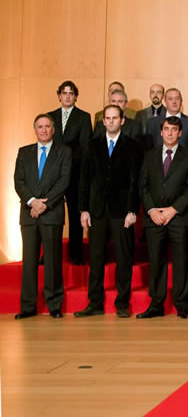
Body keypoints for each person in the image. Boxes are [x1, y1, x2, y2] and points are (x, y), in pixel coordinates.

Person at [74, 105, 143, 319]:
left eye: (115, 118)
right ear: (103, 121)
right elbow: (84, 179)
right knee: (95, 258)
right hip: (96, 210)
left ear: (122, 120)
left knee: (124, 257)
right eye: (108, 118)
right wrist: (83, 209)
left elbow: (135, 181)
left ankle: (122, 302)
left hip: (122, 211)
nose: (111, 121)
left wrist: (133, 210)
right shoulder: (92, 145)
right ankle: (94, 302)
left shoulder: (133, 146)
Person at [138, 116, 188, 319]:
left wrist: (174, 209)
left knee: (181, 263)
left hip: (179, 218)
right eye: (166, 129)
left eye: (174, 129)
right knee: (156, 262)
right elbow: (142, 186)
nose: (170, 133)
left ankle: (182, 306)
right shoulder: (149, 155)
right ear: (161, 132)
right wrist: (151, 210)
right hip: (154, 217)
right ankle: (156, 305)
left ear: (180, 133)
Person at [13, 114, 71, 319]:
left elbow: (64, 181)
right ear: (35, 129)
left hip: (52, 213)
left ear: (53, 129)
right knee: (28, 261)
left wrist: (44, 204)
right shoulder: (24, 152)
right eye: (40, 126)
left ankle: (54, 304)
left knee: (53, 261)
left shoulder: (64, 152)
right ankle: (28, 307)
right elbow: (18, 181)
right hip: (29, 214)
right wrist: (32, 202)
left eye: (47, 126)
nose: (44, 130)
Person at [48, 80, 92, 264]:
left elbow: (85, 147)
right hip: (53, 174)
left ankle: (75, 254)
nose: (67, 96)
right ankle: (49, 255)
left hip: (75, 173)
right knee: (51, 215)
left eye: (71, 93)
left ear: (75, 96)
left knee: (75, 214)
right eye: (64, 93)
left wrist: (69, 166)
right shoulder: (49, 117)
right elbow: (47, 144)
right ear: (59, 95)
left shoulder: (83, 117)